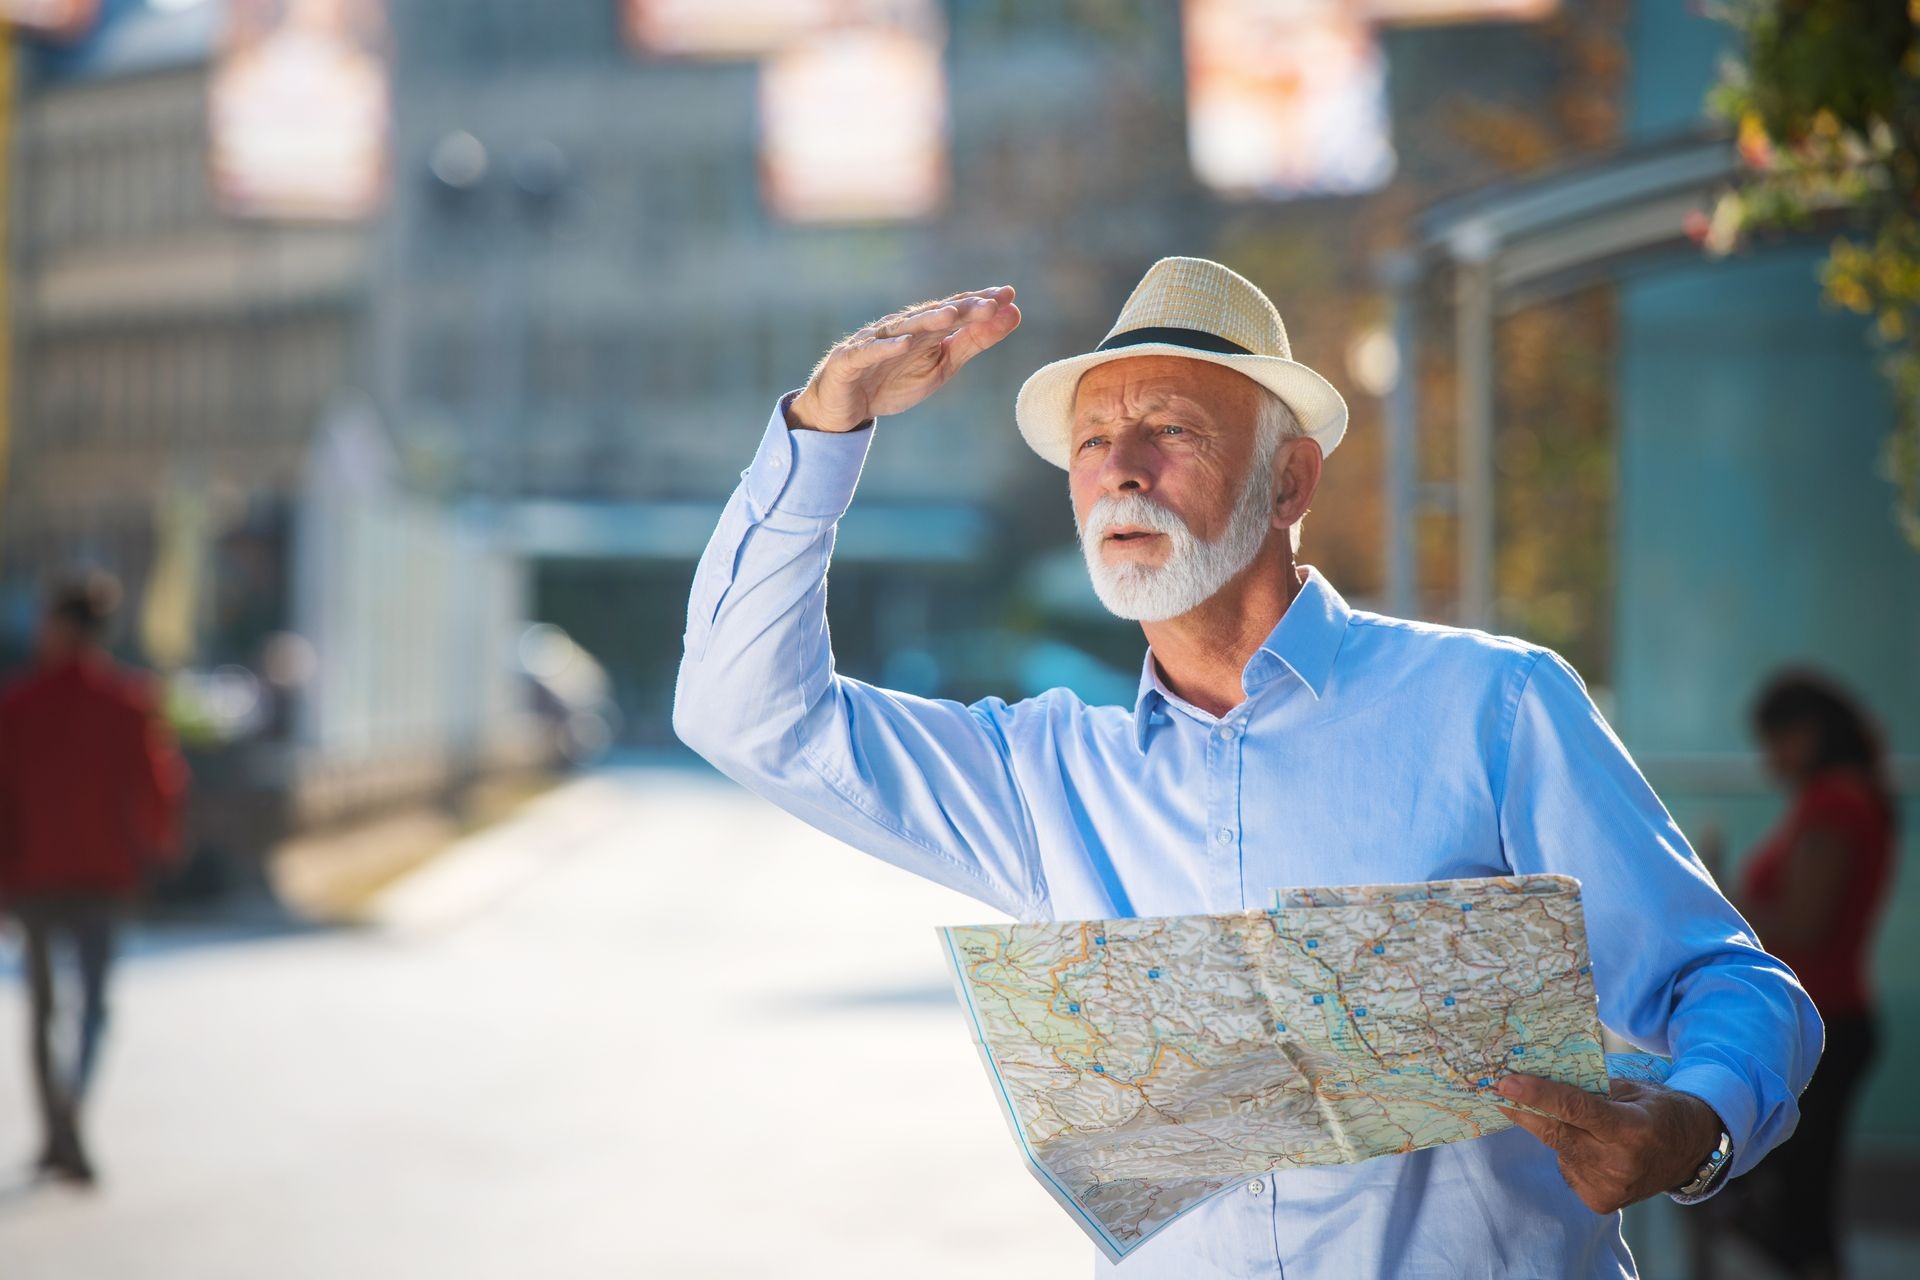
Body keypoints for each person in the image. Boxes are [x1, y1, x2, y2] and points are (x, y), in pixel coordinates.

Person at [672, 258, 1822, 1278]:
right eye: (1090, 441)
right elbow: (746, 711)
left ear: (1290, 485)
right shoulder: (1045, 774)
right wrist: (826, 426)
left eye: (1169, 429)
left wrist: (1693, 1125)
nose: (1119, 469)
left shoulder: (1491, 704)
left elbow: (1735, 985)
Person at [0, 570, 189, 1184]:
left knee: (44, 1009)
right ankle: (71, 1117)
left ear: (59, 627)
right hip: (103, 872)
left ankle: (61, 1127)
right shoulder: (129, 702)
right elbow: (159, 785)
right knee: (92, 1007)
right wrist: (157, 848)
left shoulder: (20, 704)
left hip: (33, 874)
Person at [1719, 670, 1898, 1280]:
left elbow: (1803, 922)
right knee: (1797, 1206)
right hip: (1834, 1016)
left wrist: (1721, 900)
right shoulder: (1852, 796)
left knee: (1792, 1213)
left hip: (1822, 1024)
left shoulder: (1834, 803)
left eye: (1776, 741)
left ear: (1807, 733)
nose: (1770, 759)